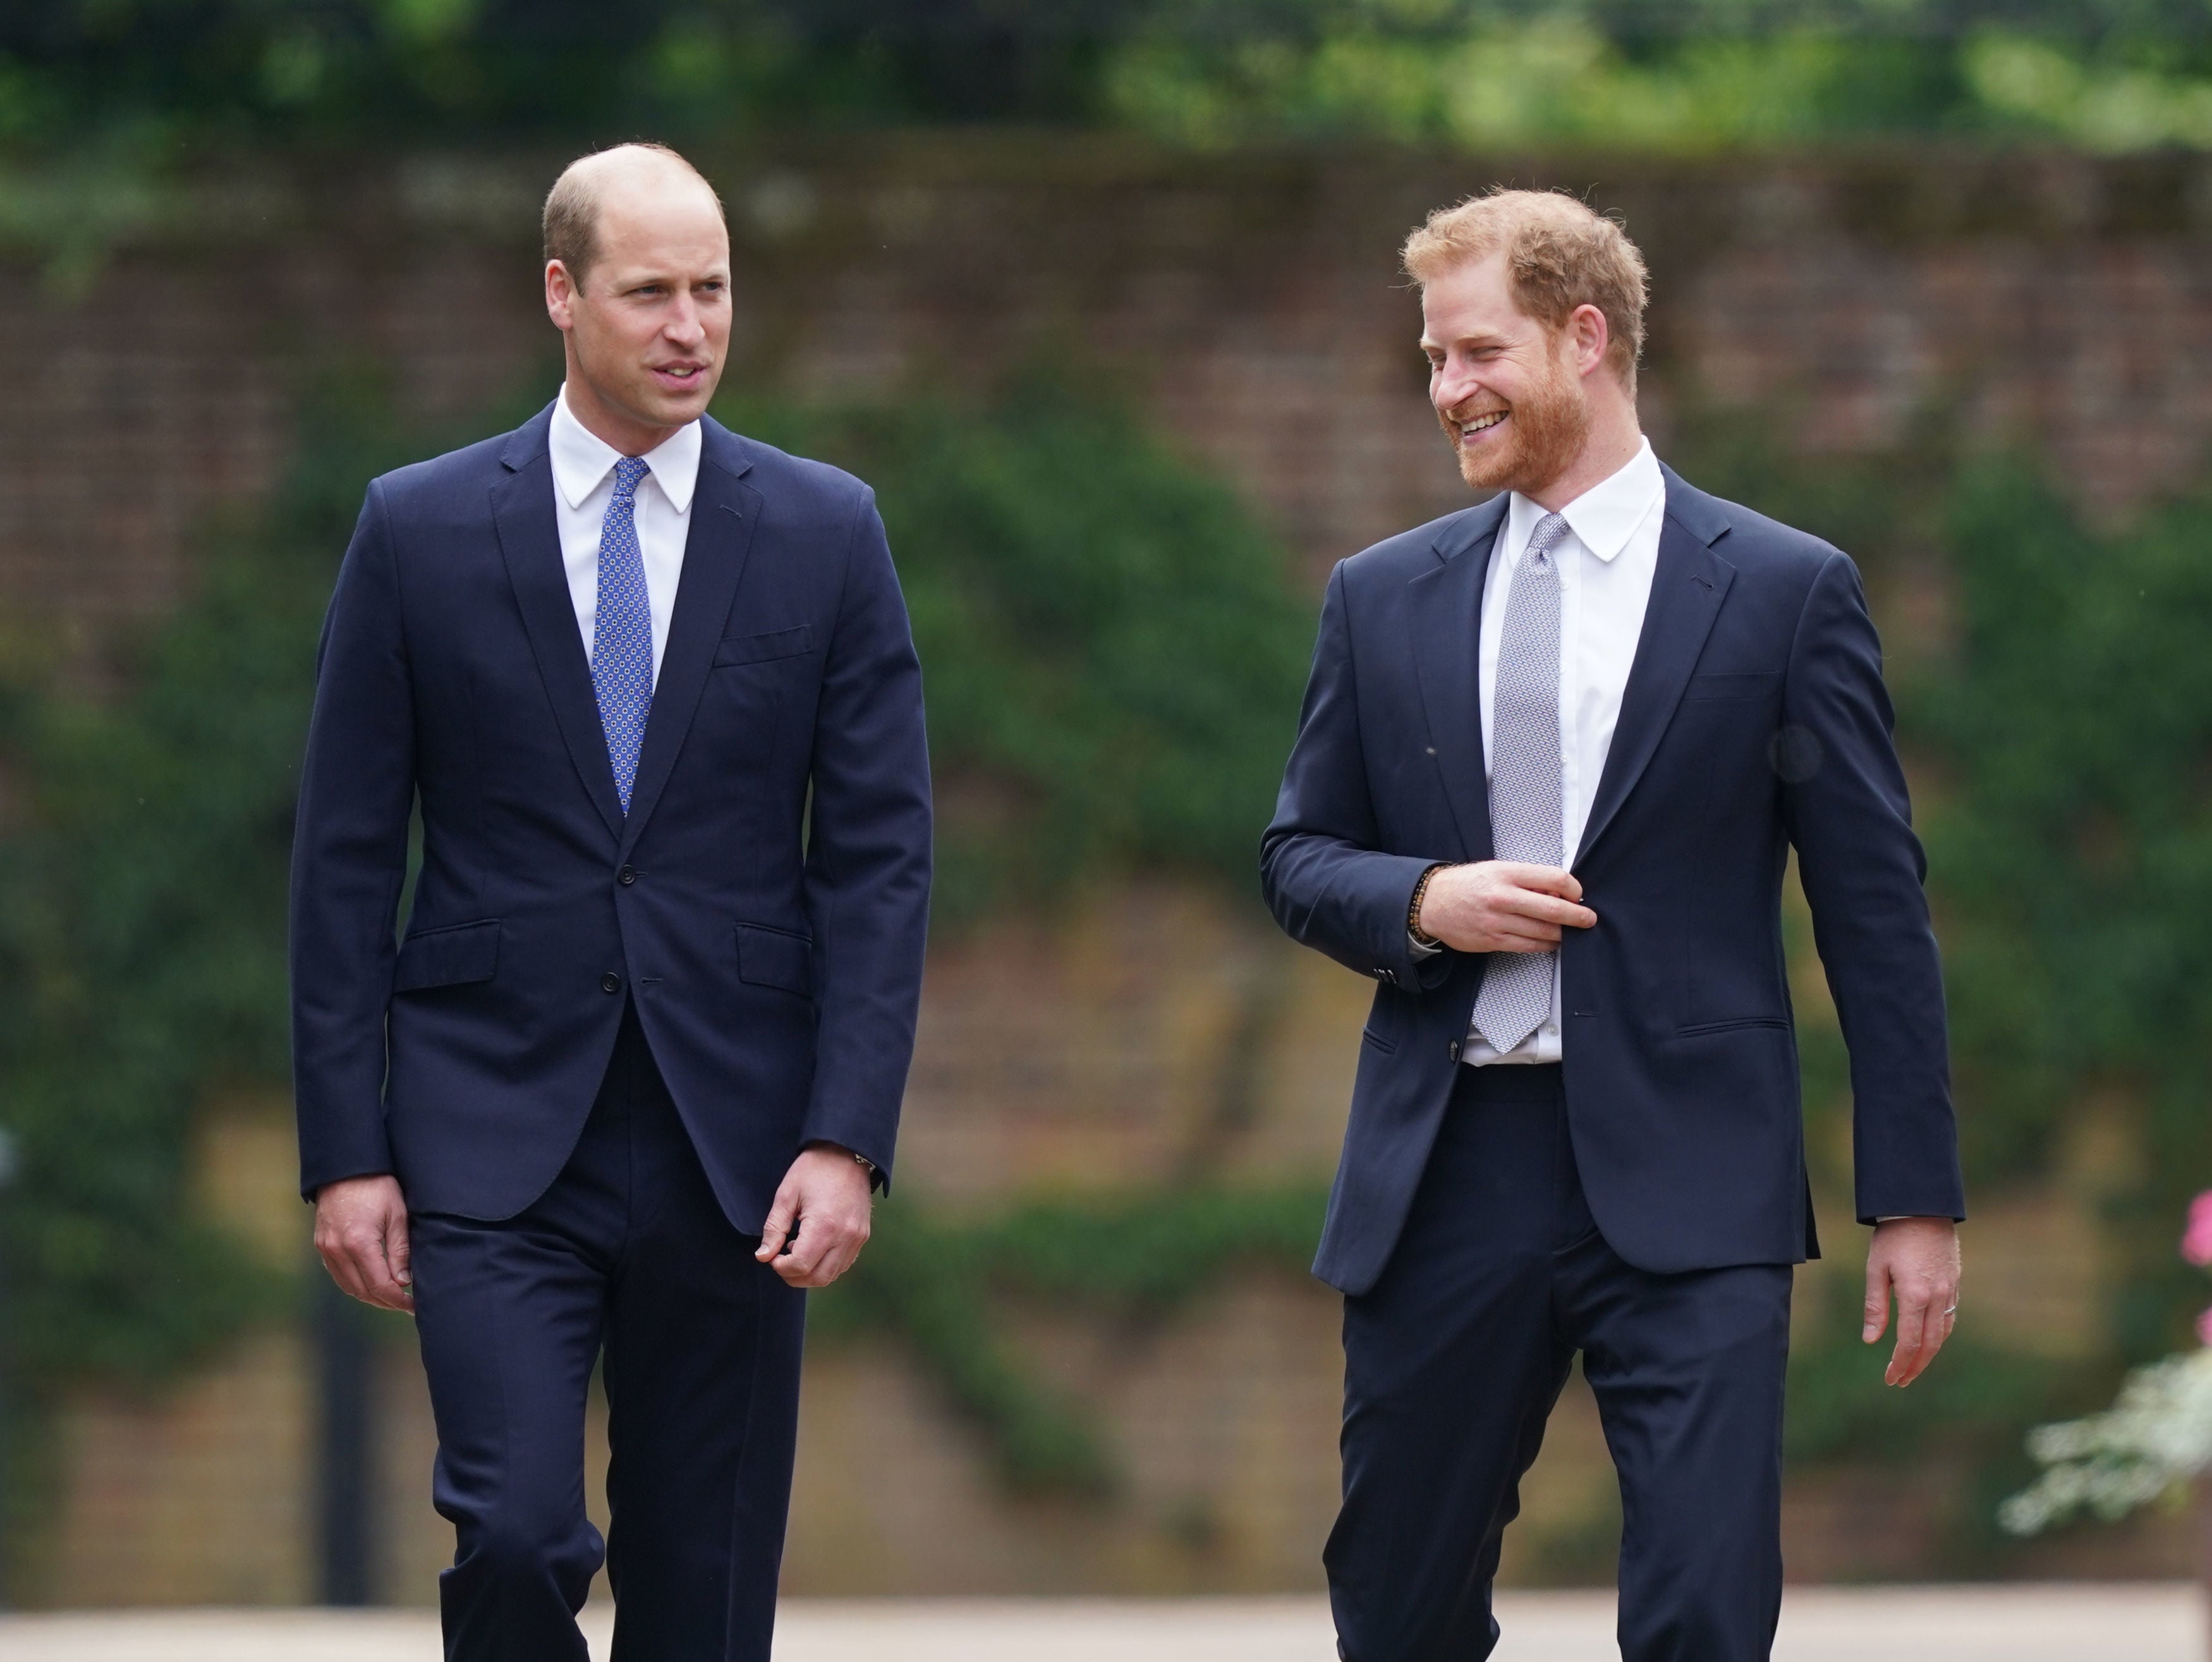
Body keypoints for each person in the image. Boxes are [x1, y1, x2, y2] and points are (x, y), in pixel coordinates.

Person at [1260, 190, 1964, 1661]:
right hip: (1446, 1166)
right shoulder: (1380, 598)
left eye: (1474, 352)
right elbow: (1295, 855)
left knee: (1706, 1612)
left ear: (1585, 337)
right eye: (1432, 360)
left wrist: (1914, 1197)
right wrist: (1420, 898)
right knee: (1395, 1608)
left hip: (1696, 1173)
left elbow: (1875, 916)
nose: (1446, 389)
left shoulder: (1782, 591)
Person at [289, 142, 932, 1661]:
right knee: (512, 1537)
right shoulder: (421, 527)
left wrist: (848, 1134)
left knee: (703, 1601)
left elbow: (880, 857)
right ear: (563, 294)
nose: (691, 325)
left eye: (714, 288)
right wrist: (345, 1150)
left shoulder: (826, 528)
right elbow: (342, 856)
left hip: (742, 1142)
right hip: (487, 1127)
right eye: (652, 292)